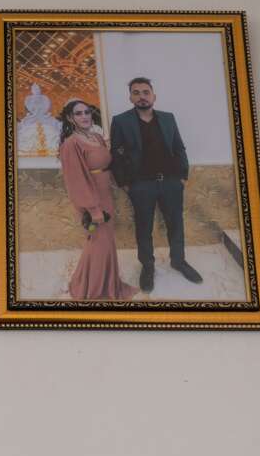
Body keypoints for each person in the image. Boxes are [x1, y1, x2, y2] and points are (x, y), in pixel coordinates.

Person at [110, 77, 203, 293]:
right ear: (130, 97)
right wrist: (125, 183)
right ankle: (148, 266)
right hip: (141, 185)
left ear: (153, 95)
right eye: (136, 92)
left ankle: (178, 261)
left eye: (145, 92)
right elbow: (115, 153)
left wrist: (182, 176)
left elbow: (179, 147)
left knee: (176, 224)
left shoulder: (168, 118)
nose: (141, 96)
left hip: (171, 182)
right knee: (144, 228)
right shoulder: (121, 121)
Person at [58, 100, 136, 301]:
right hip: (91, 200)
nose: (84, 116)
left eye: (87, 112)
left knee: (106, 241)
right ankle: (92, 289)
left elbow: (108, 166)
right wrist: (92, 209)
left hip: (106, 196)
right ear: (70, 118)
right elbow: (75, 180)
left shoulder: (96, 137)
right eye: (78, 113)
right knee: (98, 242)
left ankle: (108, 284)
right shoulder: (71, 144)